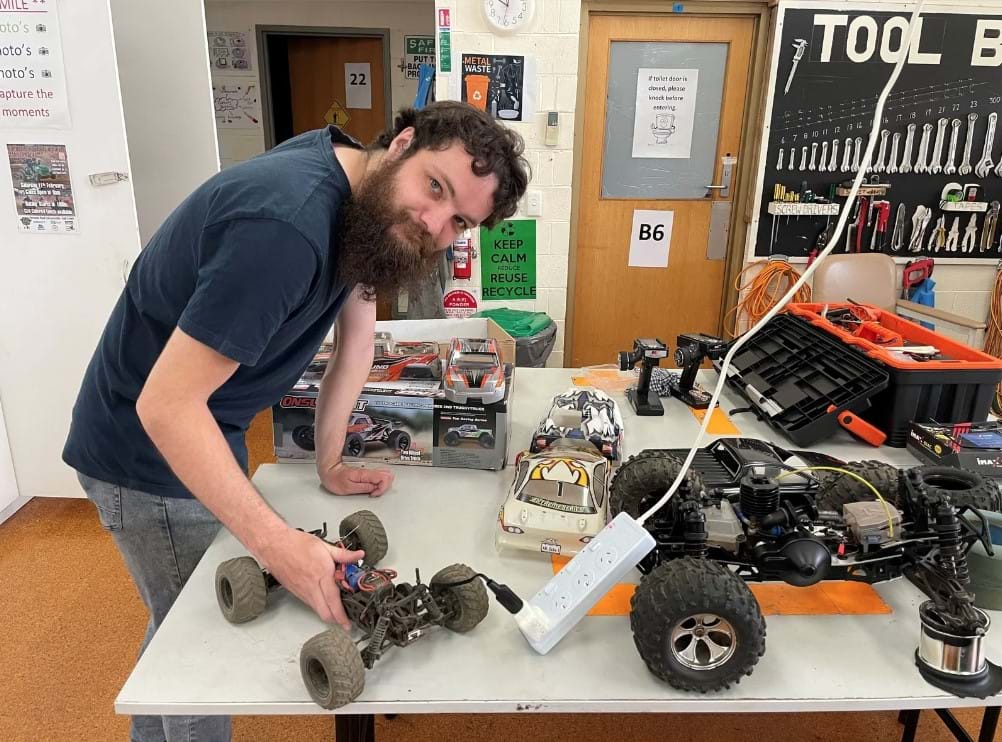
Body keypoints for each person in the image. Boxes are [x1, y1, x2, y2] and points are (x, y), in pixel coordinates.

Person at [62, 100, 529, 742]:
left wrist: (330, 460)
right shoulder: (284, 228)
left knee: (176, 624)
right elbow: (164, 406)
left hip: (201, 425)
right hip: (145, 453)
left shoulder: (363, 201)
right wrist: (279, 546)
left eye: (458, 221)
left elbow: (357, 341)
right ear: (402, 144)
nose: (433, 223)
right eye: (435, 187)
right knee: (200, 650)